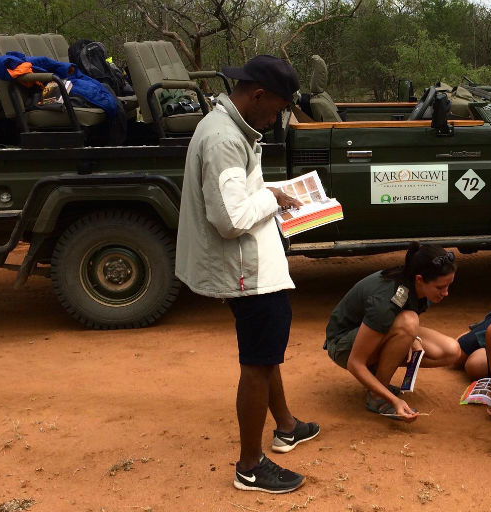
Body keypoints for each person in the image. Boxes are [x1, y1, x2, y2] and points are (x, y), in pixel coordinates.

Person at [175, 55, 319, 494]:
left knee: (265, 353)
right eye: (275, 108)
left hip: (256, 266)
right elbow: (230, 218)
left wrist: (271, 190)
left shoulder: (232, 126)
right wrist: (274, 201)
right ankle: (250, 466)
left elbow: (237, 193)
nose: (276, 116)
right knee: (257, 363)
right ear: (257, 95)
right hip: (248, 272)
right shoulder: (223, 139)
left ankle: (287, 426)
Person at [324, 243, 462, 422]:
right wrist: (394, 400)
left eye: (448, 285)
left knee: (451, 351)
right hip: (343, 346)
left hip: (376, 331)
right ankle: (378, 396)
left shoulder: (417, 286)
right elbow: (355, 363)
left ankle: (379, 380)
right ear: (419, 279)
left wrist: (412, 338)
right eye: (440, 287)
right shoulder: (387, 300)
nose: (446, 293)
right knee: (409, 323)